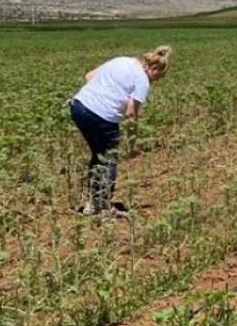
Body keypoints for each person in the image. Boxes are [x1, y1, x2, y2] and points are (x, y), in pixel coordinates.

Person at [70, 45, 172, 218]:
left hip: (78, 107)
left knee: (98, 154)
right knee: (109, 159)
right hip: (103, 116)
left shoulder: (123, 60)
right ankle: (105, 208)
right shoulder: (142, 81)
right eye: (160, 76)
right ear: (155, 68)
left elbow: (88, 76)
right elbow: (131, 113)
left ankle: (92, 204)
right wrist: (134, 140)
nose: (159, 80)